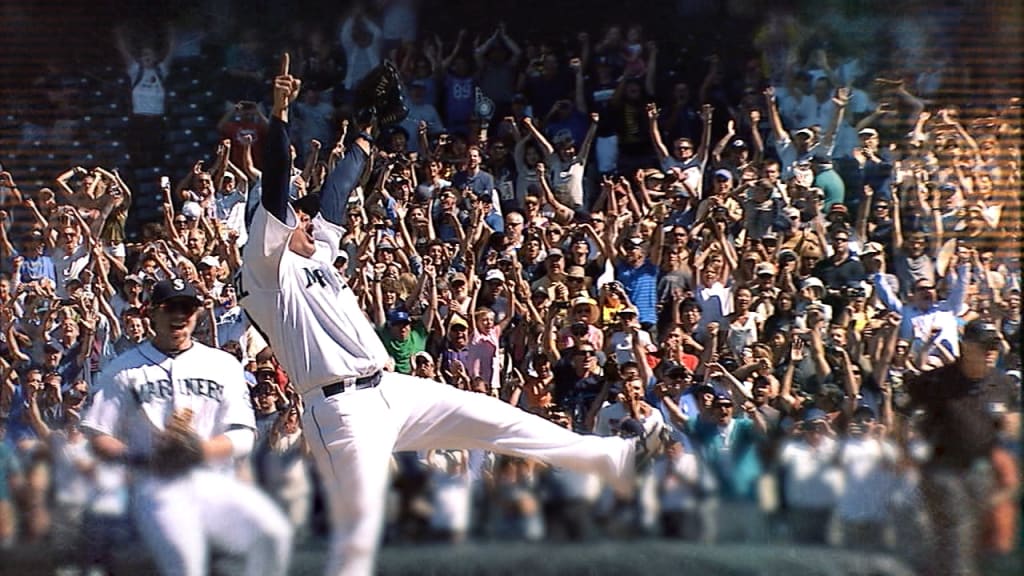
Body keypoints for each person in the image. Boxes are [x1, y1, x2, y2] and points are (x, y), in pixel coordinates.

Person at [238, 55, 666, 576]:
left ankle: (609, 460)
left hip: (389, 390)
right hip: (338, 412)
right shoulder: (266, 268)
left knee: (495, 419)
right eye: (295, 216)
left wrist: (367, 133)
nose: (306, 217)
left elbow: (337, 193)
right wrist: (280, 113)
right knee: (359, 540)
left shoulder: (317, 255)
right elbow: (279, 178)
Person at [81, 279, 292, 576]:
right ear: (152, 313)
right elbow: (98, 433)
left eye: (187, 308)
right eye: (170, 308)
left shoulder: (223, 364)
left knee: (272, 534)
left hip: (214, 481)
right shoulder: (122, 368)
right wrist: (144, 457)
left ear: (198, 313)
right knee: (185, 565)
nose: (179, 315)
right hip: (157, 485)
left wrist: (199, 449)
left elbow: (244, 434)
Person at [906, 319, 1019, 576]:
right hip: (943, 469)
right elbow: (904, 412)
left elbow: (1011, 425)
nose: (991, 352)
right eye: (984, 346)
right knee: (957, 532)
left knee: (975, 540)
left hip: (982, 470)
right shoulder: (936, 382)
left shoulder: (1003, 384)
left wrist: (1008, 428)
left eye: (994, 346)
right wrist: (904, 451)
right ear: (965, 347)